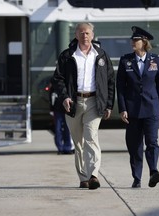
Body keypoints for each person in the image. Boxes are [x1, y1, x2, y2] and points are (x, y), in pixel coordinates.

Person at [52, 22, 115, 190]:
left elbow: (110, 81)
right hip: (73, 103)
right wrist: (64, 97)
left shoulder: (101, 55)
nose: (84, 35)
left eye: (87, 33)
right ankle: (83, 177)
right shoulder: (67, 56)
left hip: (94, 102)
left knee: (91, 137)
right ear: (76, 35)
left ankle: (93, 175)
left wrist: (108, 104)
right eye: (81, 33)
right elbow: (58, 79)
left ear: (92, 35)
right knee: (78, 143)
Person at [116, 26, 159, 188]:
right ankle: (137, 178)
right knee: (134, 145)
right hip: (133, 111)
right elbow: (120, 87)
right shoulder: (125, 60)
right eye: (132, 40)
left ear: (144, 42)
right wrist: (122, 108)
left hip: (151, 108)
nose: (132, 42)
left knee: (152, 142)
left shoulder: (156, 60)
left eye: (136, 40)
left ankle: (153, 171)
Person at [49, 78, 74, 154]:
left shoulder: (68, 79)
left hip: (67, 109)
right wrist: (51, 109)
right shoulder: (54, 81)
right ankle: (60, 148)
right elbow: (51, 96)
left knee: (68, 129)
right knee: (58, 129)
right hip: (57, 109)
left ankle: (67, 147)